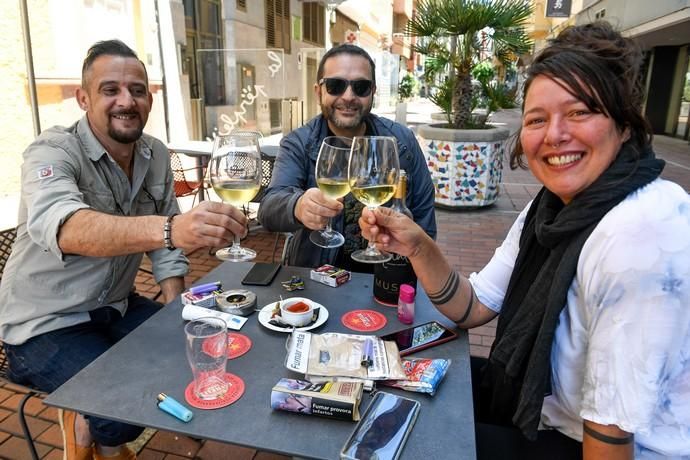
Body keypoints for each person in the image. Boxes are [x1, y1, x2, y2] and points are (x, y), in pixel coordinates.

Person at [359, 22, 690, 459]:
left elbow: (611, 436)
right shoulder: (554, 207)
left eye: (580, 112)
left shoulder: (640, 231)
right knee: (382, 394)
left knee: (402, 446)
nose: (554, 135)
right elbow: (474, 306)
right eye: (537, 119)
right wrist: (418, 246)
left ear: (624, 125)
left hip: (609, 445)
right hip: (549, 413)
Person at [0, 40, 247, 460]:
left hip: (116, 306)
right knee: (120, 413)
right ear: (83, 98)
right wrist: (171, 229)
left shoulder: (154, 154)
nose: (125, 101)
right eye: (109, 89)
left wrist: (176, 314)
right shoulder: (52, 150)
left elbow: (168, 251)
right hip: (43, 324)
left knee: (198, 354)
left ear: (149, 99)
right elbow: (66, 227)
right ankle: (93, 440)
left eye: (136, 90)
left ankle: (96, 424)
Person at [258, 44, 436, 271]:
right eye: (335, 86)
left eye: (360, 87)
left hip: (388, 276)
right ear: (318, 91)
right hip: (319, 277)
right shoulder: (300, 142)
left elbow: (425, 221)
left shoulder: (401, 143)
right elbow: (269, 207)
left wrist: (416, 274)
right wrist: (298, 205)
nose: (349, 96)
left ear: (373, 91)